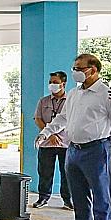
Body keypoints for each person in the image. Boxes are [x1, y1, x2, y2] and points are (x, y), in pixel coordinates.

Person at [42, 54, 111, 220]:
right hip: (73, 150)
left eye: (79, 68)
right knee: (78, 195)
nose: (75, 72)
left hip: (96, 150)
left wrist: (106, 146)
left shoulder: (108, 94)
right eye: (74, 68)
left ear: (93, 70)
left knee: (101, 195)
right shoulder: (73, 93)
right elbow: (64, 117)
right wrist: (46, 132)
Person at [32, 72, 73, 209]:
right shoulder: (43, 101)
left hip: (66, 143)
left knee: (67, 173)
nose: (52, 85)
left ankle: (68, 200)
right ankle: (43, 198)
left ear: (63, 83)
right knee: (44, 172)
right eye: (51, 82)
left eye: (55, 82)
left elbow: (70, 120)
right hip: (46, 143)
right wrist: (49, 134)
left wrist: (56, 133)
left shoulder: (71, 101)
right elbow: (38, 118)